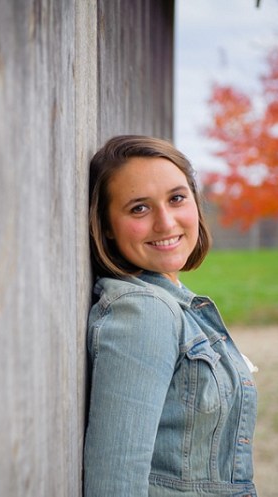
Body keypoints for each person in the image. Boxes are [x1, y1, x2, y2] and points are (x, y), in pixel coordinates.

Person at [83, 135, 259, 496]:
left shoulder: (177, 304)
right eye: (139, 209)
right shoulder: (144, 313)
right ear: (106, 228)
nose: (165, 223)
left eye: (176, 198)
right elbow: (116, 483)